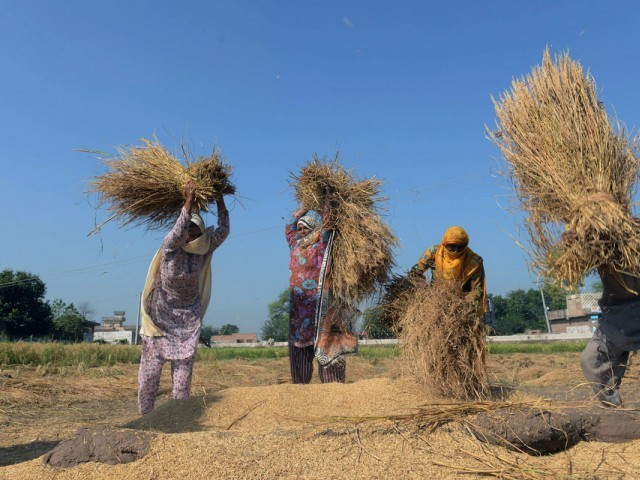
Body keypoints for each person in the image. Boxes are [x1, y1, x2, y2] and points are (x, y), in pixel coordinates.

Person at [137, 181, 229, 414]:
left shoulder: (203, 250)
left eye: (194, 230)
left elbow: (224, 230)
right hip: (159, 317)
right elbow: (176, 233)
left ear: (200, 233)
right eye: (187, 229)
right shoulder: (170, 247)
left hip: (187, 319)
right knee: (150, 372)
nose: (189, 234)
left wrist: (220, 200)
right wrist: (187, 204)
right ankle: (145, 415)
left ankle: (179, 415)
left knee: (183, 373)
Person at [561, 232, 640, 407]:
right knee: (590, 360)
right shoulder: (596, 245)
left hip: (636, 311)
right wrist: (572, 246)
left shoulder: (633, 238)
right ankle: (614, 407)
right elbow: (574, 266)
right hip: (614, 319)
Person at [285, 204, 347, 384]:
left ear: (313, 229)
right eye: (300, 228)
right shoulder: (294, 245)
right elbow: (289, 226)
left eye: (305, 228)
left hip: (319, 305)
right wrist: (303, 209)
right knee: (299, 348)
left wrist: (323, 203)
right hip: (298, 310)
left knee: (325, 344)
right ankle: (300, 387)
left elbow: (327, 224)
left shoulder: (320, 244)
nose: (301, 231)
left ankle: (332, 387)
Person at [409, 226, 487, 311]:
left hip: (461, 305)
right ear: (444, 243)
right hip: (434, 301)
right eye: (452, 246)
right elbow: (414, 273)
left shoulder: (474, 262)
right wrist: (426, 291)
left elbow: (477, 290)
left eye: (460, 246)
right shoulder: (434, 252)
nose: (456, 250)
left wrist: (460, 304)